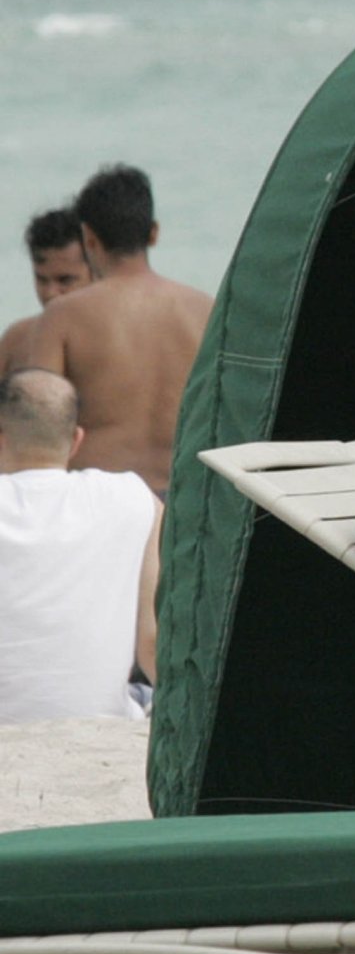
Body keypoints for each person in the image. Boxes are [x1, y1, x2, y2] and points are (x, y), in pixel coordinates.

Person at [25, 165, 213, 496]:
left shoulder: (62, 316)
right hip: (185, 498)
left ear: (89, 238)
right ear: (153, 233)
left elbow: (37, 422)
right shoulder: (206, 310)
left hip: (99, 500)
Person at [0, 368, 161, 722]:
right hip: (99, 723)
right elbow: (152, 645)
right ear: (76, 440)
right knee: (142, 695)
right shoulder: (133, 499)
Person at [0, 207, 93, 373]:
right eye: (41, 279)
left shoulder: (118, 340)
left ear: (97, 272)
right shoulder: (16, 342)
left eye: (65, 280)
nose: (50, 293)